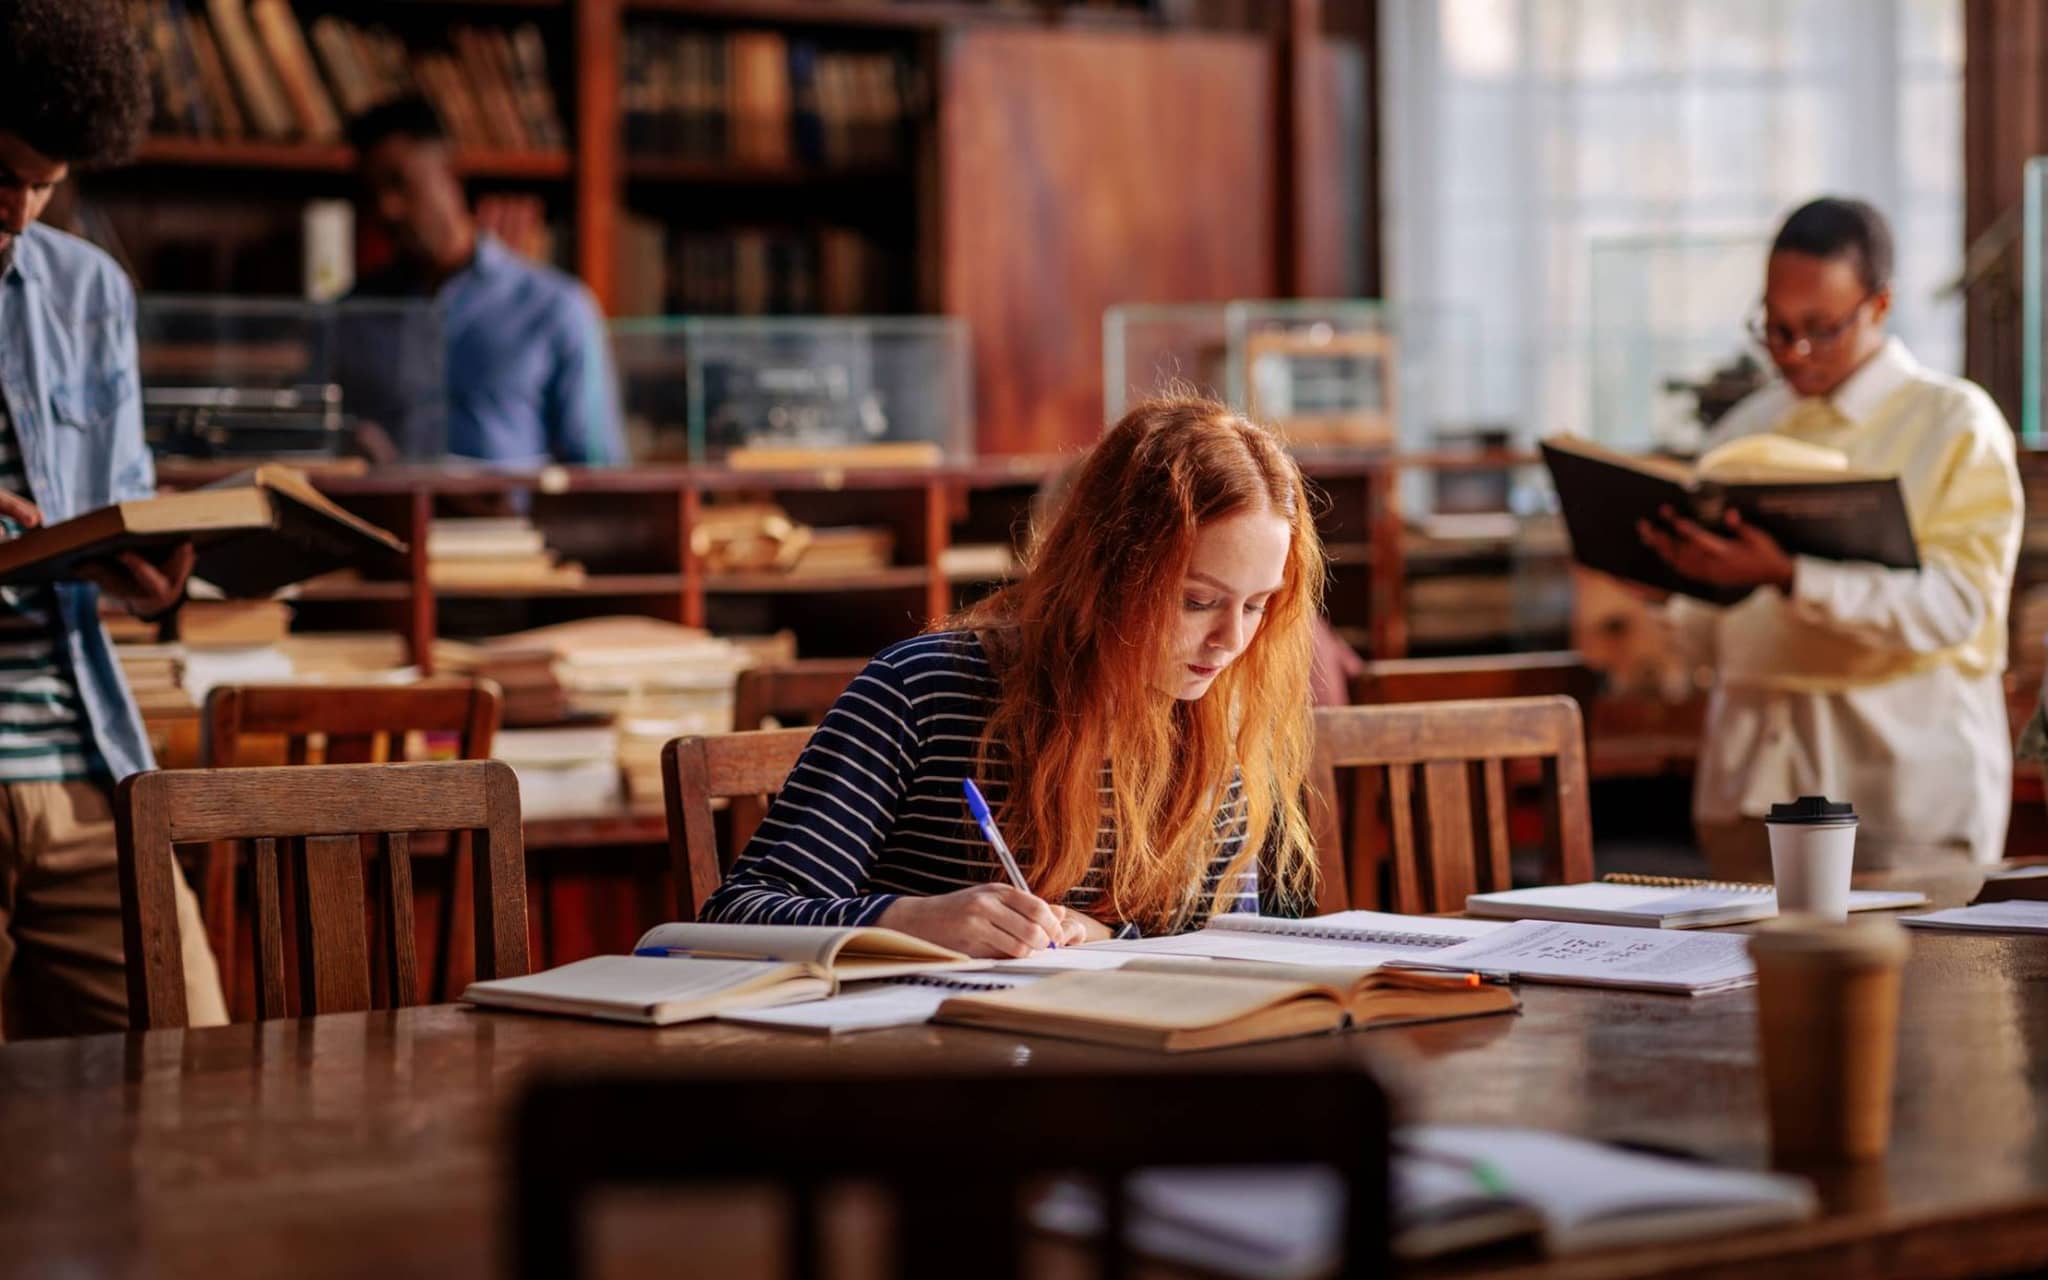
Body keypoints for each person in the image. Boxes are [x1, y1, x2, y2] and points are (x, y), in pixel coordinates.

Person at [701, 397, 1325, 954]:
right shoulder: (922, 692)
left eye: (1256, 604)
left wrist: (1103, 937)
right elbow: (735, 917)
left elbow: (1219, 947)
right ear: (1105, 574)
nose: (1232, 641)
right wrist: (907, 922)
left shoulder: (1217, 717)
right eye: (1197, 601)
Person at [1640, 197, 2023, 874]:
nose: (1794, 353)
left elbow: (1958, 607)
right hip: (1745, 796)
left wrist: (1791, 575)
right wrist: (1670, 569)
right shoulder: (1743, 430)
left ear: (1880, 305)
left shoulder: (1956, 423)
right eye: (1777, 328)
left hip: (1901, 799)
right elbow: (1701, 635)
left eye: (1820, 327)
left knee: (1926, 983)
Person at [0, 0, 226, 1036]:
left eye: (43, 186)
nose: (16, 212)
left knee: (201, 1068)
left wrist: (145, 571)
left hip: (88, 764)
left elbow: (119, 498)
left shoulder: (90, 292)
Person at [345, 97, 625, 468]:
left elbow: (598, 469)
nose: (386, 208)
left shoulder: (556, 307)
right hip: (381, 522)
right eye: (371, 194)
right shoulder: (352, 314)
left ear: (450, 171)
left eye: (399, 183)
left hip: (513, 524)